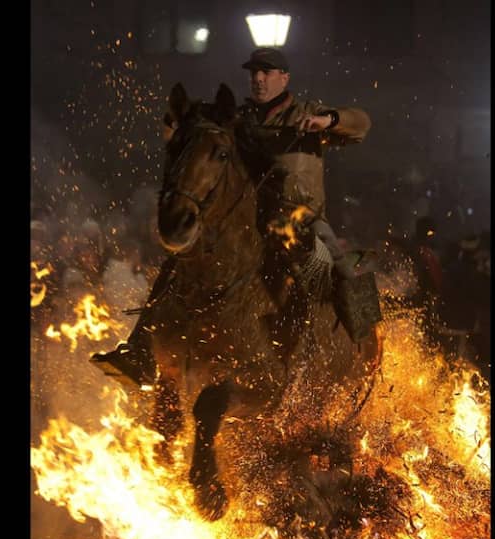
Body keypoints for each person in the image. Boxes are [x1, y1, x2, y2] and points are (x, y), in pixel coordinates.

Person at [95, 48, 376, 388]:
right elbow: (205, 131)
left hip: (301, 218)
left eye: (267, 72)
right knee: (179, 260)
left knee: (340, 266)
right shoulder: (237, 119)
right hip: (247, 219)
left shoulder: (307, 114)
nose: (258, 79)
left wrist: (328, 120)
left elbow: (361, 123)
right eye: (254, 73)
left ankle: (364, 344)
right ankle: (139, 349)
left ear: (283, 78)